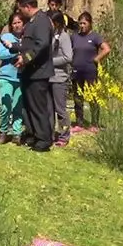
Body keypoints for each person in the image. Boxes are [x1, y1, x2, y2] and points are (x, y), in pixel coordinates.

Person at [10, 0, 55, 152]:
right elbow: (28, 44)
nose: (19, 13)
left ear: (27, 7)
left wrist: (25, 58)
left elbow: (41, 45)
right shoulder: (32, 22)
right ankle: (34, 135)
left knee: (38, 107)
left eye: (20, 9)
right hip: (30, 72)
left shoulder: (41, 21)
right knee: (30, 106)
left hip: (38, 72)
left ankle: (44, 139)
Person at [70, 11, 111, 131]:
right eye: (80, 23)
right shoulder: (74, 37)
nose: (82, 26)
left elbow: (106, 49)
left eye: (84, 23)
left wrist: (97, 59)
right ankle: (79, 123)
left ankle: (94, 124)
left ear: (90, 23)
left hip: (90, 71)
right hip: (77, 71)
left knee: (93, 97)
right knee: (78, 97)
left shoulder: (95, 37)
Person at [0, 12, 26, 144]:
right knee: (5, 106)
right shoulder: (6, 37)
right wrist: (16, 50)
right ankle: (3, 131)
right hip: (6, 76)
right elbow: (0, 54)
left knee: (18, 106)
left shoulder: (27, 38)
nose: (17, 25)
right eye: (14, 23)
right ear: (11, 25)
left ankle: (17, 132)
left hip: (21, 77)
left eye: (19, 22)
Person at [49, 11, 73, 147]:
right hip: (48, 77)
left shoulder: (64, 37)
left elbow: (68, 57)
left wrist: (50, 62)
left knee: (60, 109)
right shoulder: (51, 35)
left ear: (57, 23)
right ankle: (50, 134)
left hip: (59, 78)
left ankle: (64, 135)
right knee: (49, 109)